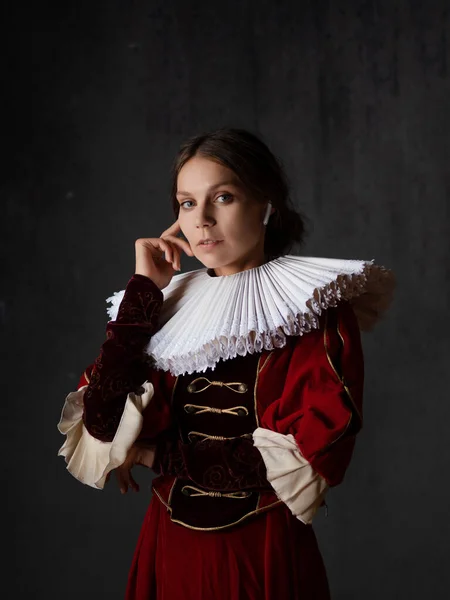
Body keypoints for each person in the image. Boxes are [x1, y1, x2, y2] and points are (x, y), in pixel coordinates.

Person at [57, 128, 395, 600]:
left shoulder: (314, 308)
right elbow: (102, 421)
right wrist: (143, 292)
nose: (203, 220)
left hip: (261, 547)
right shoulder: (163, 306)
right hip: (170, 543)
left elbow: (296, 458)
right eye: (187, 203)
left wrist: (156, 455)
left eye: (224, 197)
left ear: (266, 205)